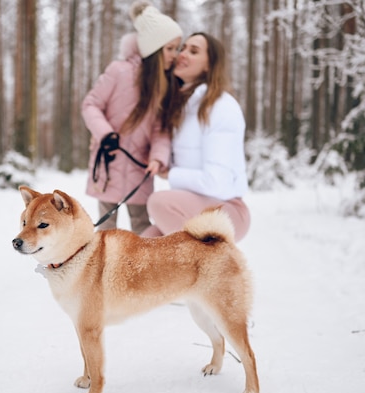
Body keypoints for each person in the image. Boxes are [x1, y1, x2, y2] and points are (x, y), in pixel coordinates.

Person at [81, 1, 182, 235]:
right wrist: (105, 134)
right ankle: (104, 270)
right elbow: (91, 104)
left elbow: (161, 130)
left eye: (176, 49)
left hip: (140, 169)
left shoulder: (163, 85)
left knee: (142, 226)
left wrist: (158, 157)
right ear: (154, 49)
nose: (175, 56)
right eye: (170, 49)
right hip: (109, 163)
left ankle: (142, 272)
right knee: (106, 229)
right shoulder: (118, 71)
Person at [141, 33, 251, 242]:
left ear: (210, 65)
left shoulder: (221, 106)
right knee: (137, 254)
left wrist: (170, 174)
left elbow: (216, 183)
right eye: (183, 48)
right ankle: (196, 264)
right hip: (195, 208)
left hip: (228, 211)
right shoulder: (183, 108)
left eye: (193, 51)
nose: (182, 54)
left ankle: (209, 264)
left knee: (159, 202)